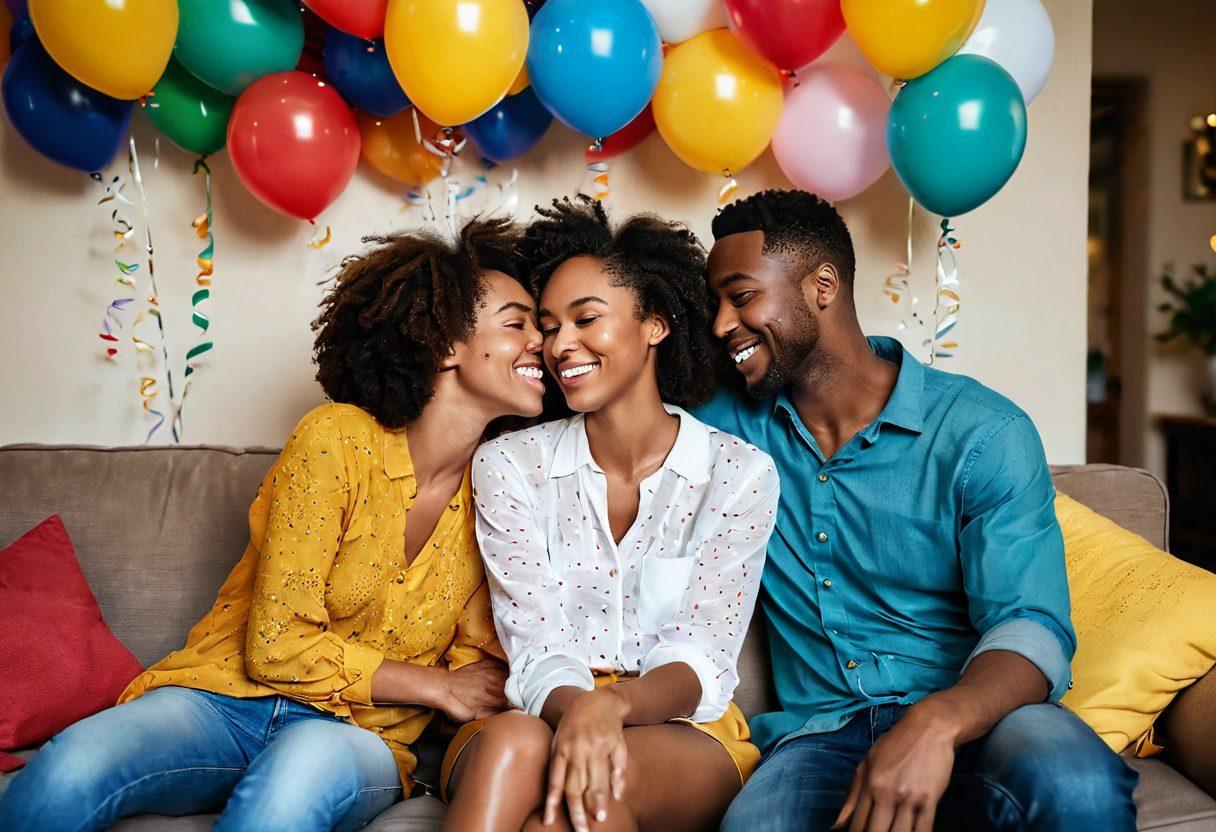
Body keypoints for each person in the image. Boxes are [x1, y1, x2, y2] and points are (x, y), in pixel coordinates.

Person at [0, 218, 548, 832]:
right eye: (516, 323)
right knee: (71, 765)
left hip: (355, 736)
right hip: (221, 698)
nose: (541, 343)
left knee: (287, 791)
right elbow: (276, 646)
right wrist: (431, 685)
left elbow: (478, 675)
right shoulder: (335, 440)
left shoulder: (502, 495)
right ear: (445, 343)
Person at [693, 189, 1139, 832]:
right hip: (818, 737)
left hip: (982, 718)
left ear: (822, 285)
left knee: (1072, 780)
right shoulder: (723, 430)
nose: (719, 323)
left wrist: (938, 721)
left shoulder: (982, 432)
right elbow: (609, 397)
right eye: (714, 304)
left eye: (740, 297)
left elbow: (1031, 622)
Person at [441, 197, 780, 832]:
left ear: (654, 323)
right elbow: (536, 644)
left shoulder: (738, 475)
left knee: (588, 810)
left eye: (585, 319)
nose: (559, 345)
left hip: (680, 728)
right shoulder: (509, 465)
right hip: (534, 713)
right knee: (517, 745)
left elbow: (702, 654)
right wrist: (584, 709)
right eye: (547, 325)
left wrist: (613, 707)